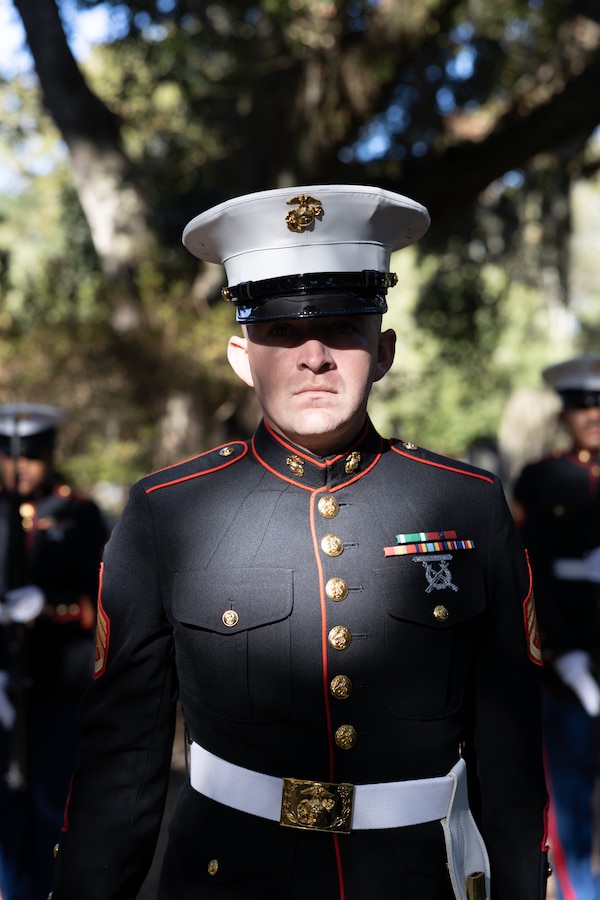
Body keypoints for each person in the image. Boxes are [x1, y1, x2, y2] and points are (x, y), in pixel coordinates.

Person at [51, 185, 549, 900]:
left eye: (344, 328)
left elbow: (510, 754)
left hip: (417, 880)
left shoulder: (467, 505)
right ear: (239, 355)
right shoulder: (168, 511)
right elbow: (122, 761)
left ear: (383, 350)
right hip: (228, 878)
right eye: (281, 333)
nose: (314, 355)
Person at [0, 403, 107, 900]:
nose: (20, 466)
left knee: (52, 811)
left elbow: (99, 603)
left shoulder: (78, 514)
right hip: (4, 690)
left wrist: (47, 607)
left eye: (33, 456)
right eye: (9, 455)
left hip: (57, 690)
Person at [513, 355, 600, 900]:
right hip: (568, 672)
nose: (592, 415)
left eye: (599, 405)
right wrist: (564, 656)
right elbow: (531, 572)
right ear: (565, 415)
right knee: (568, 807)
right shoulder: (542, 480)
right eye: (580, 406)